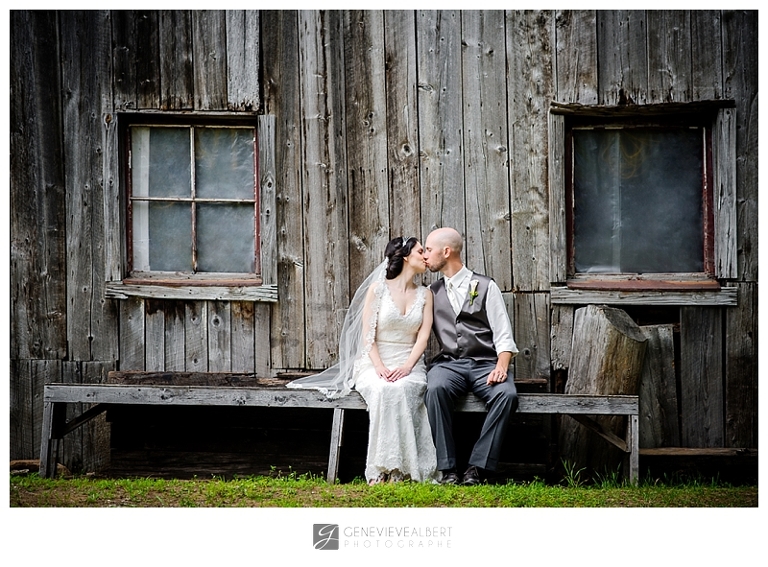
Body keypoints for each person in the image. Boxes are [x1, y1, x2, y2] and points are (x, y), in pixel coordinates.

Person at [287, 236, 439, 485]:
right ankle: (381, 468)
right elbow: (368, 334)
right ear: (404, 257)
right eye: (421, 251)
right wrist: (379, 367)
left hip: (409, 362)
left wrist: (406, 367)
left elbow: (423, 338)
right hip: (374, 362)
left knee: (403, 388)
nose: (425, 256)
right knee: (383, 390)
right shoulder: (378, 290)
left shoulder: (426, 295)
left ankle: (402, 470)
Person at [422, 227, 519, 485]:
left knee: (506, 395)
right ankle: (448, 469)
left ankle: (478, 468)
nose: (425, 256)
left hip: (485, 363)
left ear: (447, 251)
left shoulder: (486, 286)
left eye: (429, 250)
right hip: (449, 364)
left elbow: (503, 333)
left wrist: (502, 365)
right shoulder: (431, 292)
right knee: (435, 389)